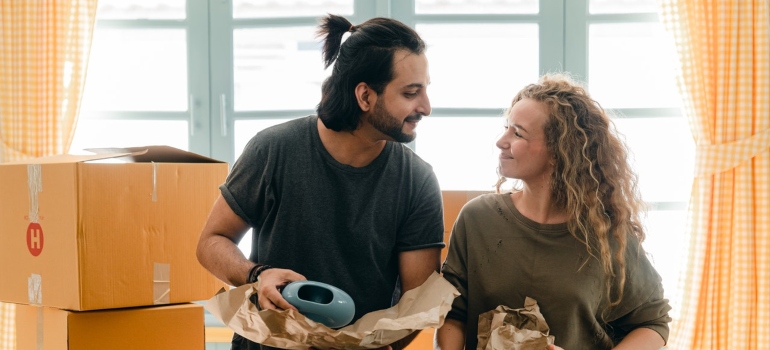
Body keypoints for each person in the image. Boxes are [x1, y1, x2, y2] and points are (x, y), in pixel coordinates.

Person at [196, 14, 444, 350]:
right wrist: (257, 274)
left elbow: (417, 303)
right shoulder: (273, 149)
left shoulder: (418, 180)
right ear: (365, 97)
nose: (426, 107)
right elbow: (212, 241)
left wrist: (377, 344)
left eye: (425, 90)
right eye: (411, 93)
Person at [434, 73, 672, 350]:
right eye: (506, 127)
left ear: (560, 151)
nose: (501, 141)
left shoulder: (606, 235)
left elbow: (653, 323)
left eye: (517, 133)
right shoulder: (476, 219)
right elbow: (453, 313)